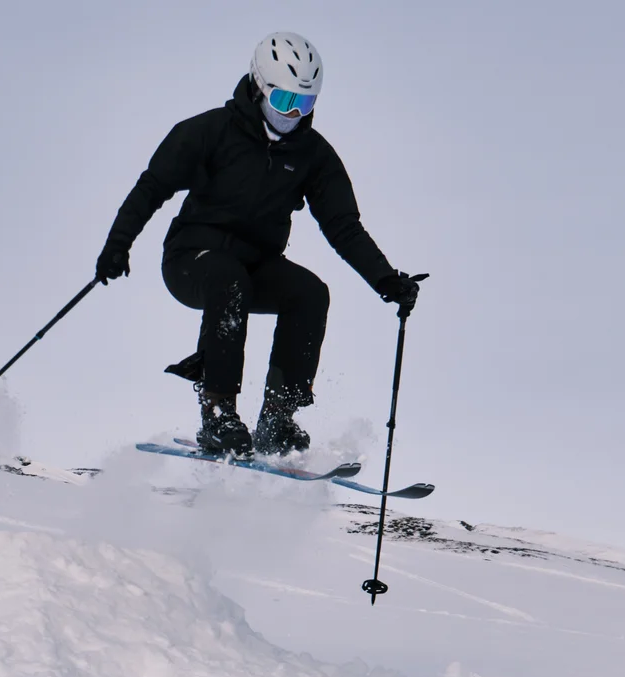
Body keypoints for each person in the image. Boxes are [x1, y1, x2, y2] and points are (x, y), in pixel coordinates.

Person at [94, 31, 421, 458]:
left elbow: (343, 226)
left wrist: (385, 280)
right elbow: (152, 186)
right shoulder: (210, 131)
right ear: (259, 85)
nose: (294, 113)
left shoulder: (313, 155)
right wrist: (117, 245)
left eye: (306, 103)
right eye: (285, 100)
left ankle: (277, 418)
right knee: (227, 278)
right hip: (191, 260)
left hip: (255, 266)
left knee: (309, 293)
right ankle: (218, 412)